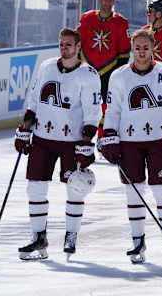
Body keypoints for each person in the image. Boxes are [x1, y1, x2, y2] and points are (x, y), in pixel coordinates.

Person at [100, 29, 162, 264]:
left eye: (145, 48)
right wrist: (109, 136)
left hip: (159, 141)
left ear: (153, 49)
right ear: (132, 49)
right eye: (137, 48)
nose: (141, 52)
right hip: (129, 143)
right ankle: (137, 241)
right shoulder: (119, 76)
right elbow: (113, 110)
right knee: (134, 191)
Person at [14, 28, 101, 260]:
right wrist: (25, 129)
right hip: (43, 138)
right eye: (61, 44)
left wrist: (86, 142)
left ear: (78, 46)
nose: (64, 48)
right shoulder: (46, 66)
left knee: (75, 186)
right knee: (35, 186)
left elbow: (93, 113)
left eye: (69, 44)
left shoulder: (88, 75)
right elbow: (33, 100)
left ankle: (71, 234)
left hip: (70, 142)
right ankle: (38, 237)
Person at [77, 0, 131, 141]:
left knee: (108, 106)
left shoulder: (121, 22)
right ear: (99, 0)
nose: (107, 3)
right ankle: (81, 136)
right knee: (83, 103)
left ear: (114, 2)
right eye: (105, 0)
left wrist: (117, 73)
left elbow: (124, 51)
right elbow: (77, 42)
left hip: (109, 69)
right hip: (87, 69)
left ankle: (103, 137)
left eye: (110, 0)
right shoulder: (87, 18)